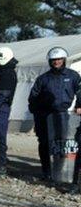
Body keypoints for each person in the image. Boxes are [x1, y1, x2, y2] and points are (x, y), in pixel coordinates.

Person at [28, 46, 81, 181]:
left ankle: (61, 171)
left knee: (62, 143)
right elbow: (33, 97)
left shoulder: (73, 76)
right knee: (45, 142)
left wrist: (79, 106)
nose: (56, 62)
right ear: (50, 61)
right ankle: (47, 171)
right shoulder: (43, 79)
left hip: (63, 115)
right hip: (44, 115)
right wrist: (37, 114)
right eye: (54, 60)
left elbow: (80, 92)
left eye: (59, 59)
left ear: (63, 60)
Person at [0, 46, 17, 177]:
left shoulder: (6, 73)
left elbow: (3, 94)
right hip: (0, 107)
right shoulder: (4, 71)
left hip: (1, 108)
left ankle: (0, 166)